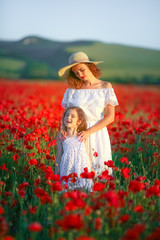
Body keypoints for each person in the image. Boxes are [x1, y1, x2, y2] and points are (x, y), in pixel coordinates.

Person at [58, 52, 119, 177]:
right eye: (76, 73)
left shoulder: (105, 86)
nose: (80, 75)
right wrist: (63, 131)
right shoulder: (73, 90)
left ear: (90, 67)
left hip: (97, 133)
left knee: (99, 171)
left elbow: (110, 117)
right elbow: (66, 115)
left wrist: (88, 132)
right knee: (77, 173)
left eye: (82, 70)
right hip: (76, 135)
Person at [55, 106, 94, 191]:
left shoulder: (83, 136)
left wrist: (91, 169)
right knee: (68, 191)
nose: (68, 117)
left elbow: (87, 154)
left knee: (83, 191)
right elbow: (59, 157)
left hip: (82, 169)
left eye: (72, 116)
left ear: (79, 122)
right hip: (67, 169)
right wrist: (56, 175)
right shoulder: (62, 138)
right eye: (67, 115)